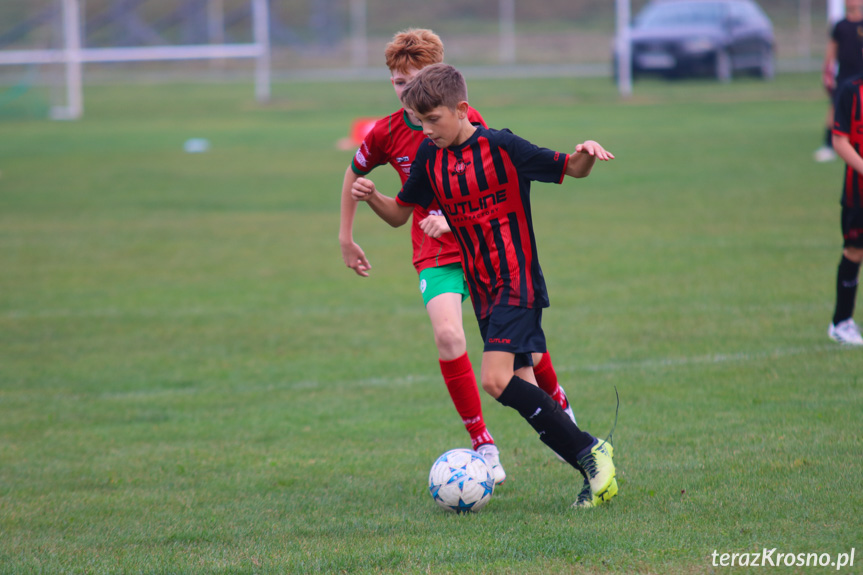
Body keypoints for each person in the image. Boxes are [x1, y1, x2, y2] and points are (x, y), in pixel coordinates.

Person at [351, 63, 618, 508]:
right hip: (484, 289)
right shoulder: (429, 158)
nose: (426, 129)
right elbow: (401, 213)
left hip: (517, 279)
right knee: (522, 385)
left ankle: (590, 451)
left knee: (495, 381)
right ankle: (593, 467)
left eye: (433, 119)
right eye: (419, 121)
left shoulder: (502, 145)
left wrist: (587, 151)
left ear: (461, 109)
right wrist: (371, 195)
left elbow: (572, 167)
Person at [828, 60, 863, 345]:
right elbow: (840, 140)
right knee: (854, 251)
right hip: (858, 191)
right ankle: (841, 322)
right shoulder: (851, 91)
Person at [815, 0, 863, 163]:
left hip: (860, 75)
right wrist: (826, 71)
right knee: (835, 109)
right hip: (844, 76)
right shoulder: (840, 26)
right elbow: (831, 49)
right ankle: (828, 145)